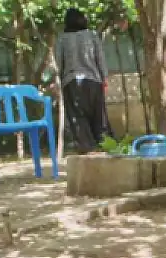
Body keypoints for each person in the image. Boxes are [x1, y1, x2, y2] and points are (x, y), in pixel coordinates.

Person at [55, 7, 112, 154]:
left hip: (72, 83)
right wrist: (104, 78)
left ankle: (88, 150)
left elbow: (59, 64)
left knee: (78, 118)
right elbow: (101, 59)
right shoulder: (92, 35)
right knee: (99, 118)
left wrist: (57, 83)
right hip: (94, 81)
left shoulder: (62, 39)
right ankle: (104, 148)